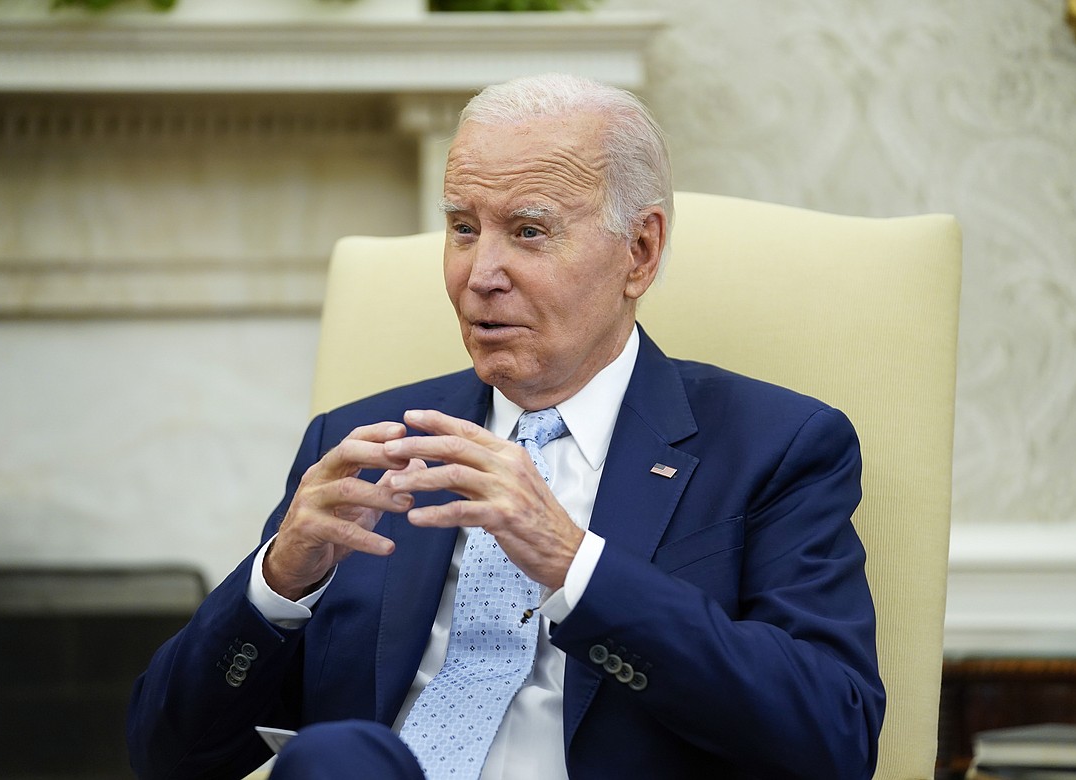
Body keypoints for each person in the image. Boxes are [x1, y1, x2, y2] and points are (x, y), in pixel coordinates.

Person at [127, 73, 884, 780]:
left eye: (527, 231)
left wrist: (574, 564)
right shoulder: (360, 445)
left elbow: (834, 735)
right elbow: (169, 755)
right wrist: (277, 581)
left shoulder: (774, 447)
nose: (479, 273)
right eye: (462, 228)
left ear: (640, 251)